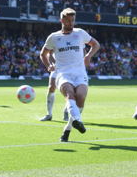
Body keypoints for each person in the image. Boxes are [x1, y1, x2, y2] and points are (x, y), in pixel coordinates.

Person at [40, 8, 100, 142]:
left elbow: (95, 44)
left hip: (80, 73)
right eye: (68, 21)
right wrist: (48, 65)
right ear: (62, 20)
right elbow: (43, 54)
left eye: (73, 20)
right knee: (69, 95)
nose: (71, 23)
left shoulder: (80, 33)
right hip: (63, 74)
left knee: (81, 98)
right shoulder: (54, 37)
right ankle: (78, 121)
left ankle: (68, 129)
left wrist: (89, 55)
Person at [40, 45, 87, 122]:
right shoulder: (57, 37)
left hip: (73, 68)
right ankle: (49, 114)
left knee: (73, 91)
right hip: (58, 67)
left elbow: (83, 51)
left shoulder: (78, 36)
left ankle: (66, 111)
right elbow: (49, 54)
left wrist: (82, 61)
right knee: (51, 87)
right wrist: (55, 62)